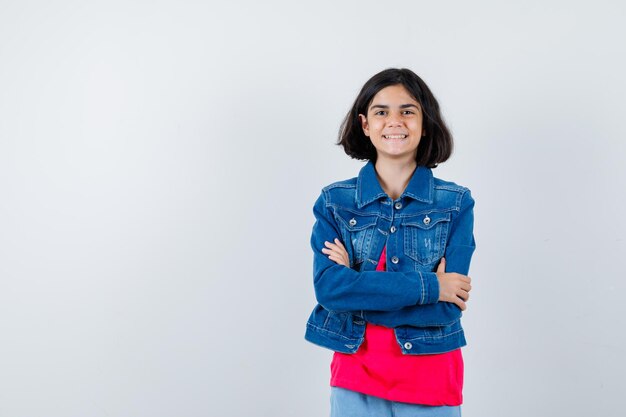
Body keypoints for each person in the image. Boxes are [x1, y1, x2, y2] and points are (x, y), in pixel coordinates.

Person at [304, 68, 476, 417]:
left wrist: (357, 285)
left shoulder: (455, 203)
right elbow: (330, 291)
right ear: (365, 125)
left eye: (407, 111)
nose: (394, 121)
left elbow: (447, 305)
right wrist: (431, 285)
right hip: (355, 377)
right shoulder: (335, 202)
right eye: (381, 112)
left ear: (425, 123)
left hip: (431, 376)